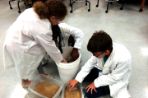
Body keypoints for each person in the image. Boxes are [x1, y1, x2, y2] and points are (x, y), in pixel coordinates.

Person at [3, 0, 83, 88]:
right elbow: (51, 48)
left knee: (37, 56)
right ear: (53, 18)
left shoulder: (32, 10)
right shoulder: (44, 29)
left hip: (17, 35)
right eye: (59, 20)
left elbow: (49, 46)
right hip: (17, 44)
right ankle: (25, 82)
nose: (59, 23)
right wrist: (62, 60)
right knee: (25, 65)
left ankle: (40, 73)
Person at [68, 31, 132, 98]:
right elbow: (89, 64)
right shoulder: (101, 48)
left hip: (115, 80)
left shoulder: (123, 58)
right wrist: (77, 79)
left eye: (96, 55)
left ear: (106, 52)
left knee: (88, 93)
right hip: (104, 71)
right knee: (81, 78)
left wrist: (95, 83)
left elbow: (114, 78)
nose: (94, 56)